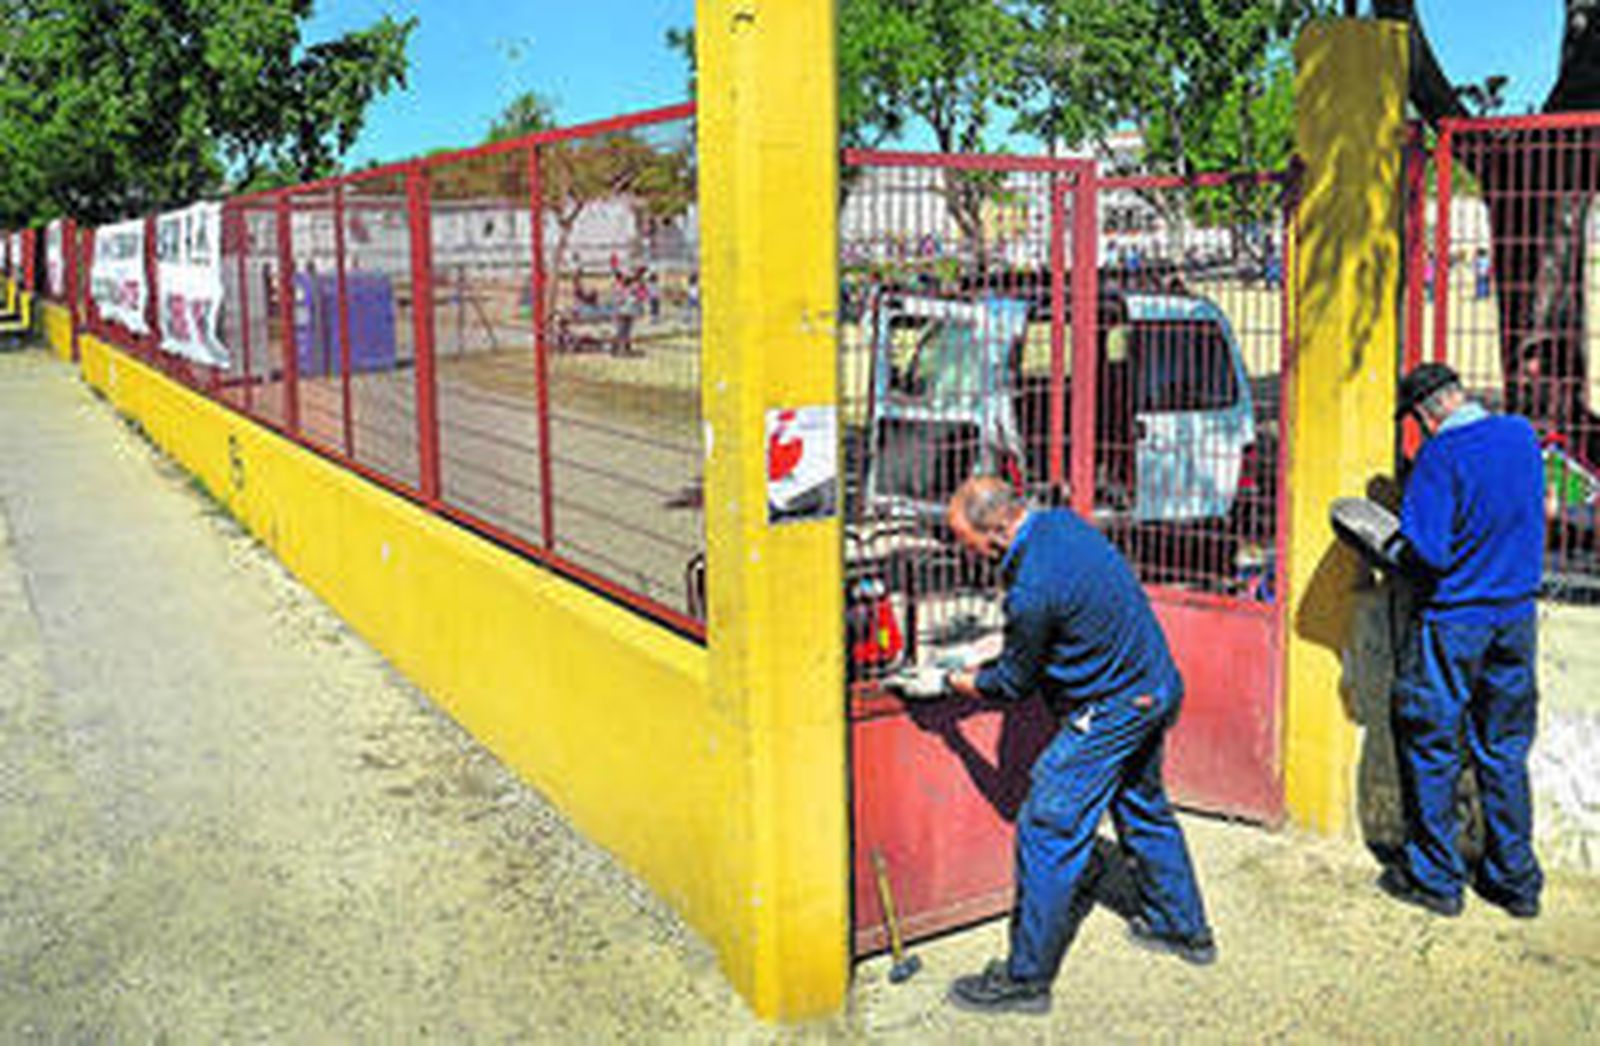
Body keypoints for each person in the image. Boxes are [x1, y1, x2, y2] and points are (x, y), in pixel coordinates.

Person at [936, 476, 1214, 1015]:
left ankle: (1025, 980)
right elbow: (1067, 622)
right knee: (1142, 805)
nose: (957, 547)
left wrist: (957, 684)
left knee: (1047, 827)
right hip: (1153, 684)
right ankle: (1183, 928)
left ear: (992, 530)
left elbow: (1013, 683)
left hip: (1112, 708)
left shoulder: (1032, 586)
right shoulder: (1060, 525)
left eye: (959, 536)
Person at [1382, 362, 1545, 919]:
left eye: (1417, 423)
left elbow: (1429, 551)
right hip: (1517, 616)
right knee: (1503, 749)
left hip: (1454, 622)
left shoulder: (1439, 457)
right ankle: (1516, 880)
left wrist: (1395, 542)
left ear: (1427, 414)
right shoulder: (1520, 434)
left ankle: (1437, 879)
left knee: (1431, 744)